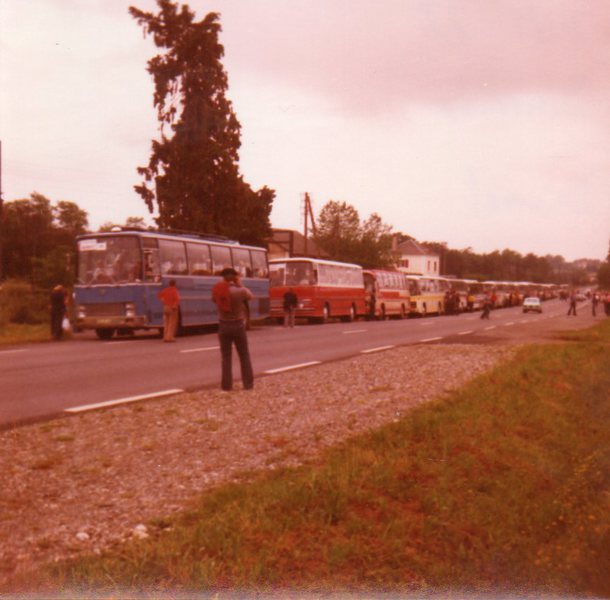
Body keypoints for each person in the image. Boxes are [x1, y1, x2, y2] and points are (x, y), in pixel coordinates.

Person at [212, 267, 254, 391]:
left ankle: (226, 386)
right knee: (244, 355)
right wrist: (239, 284)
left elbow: (214, 299)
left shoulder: (218, 290)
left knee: (226, 357)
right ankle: (248, 384)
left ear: (223, 278)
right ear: (235, 278)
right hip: (238, 325)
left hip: (224, 325)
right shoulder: (241, 291)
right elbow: (250, 296)